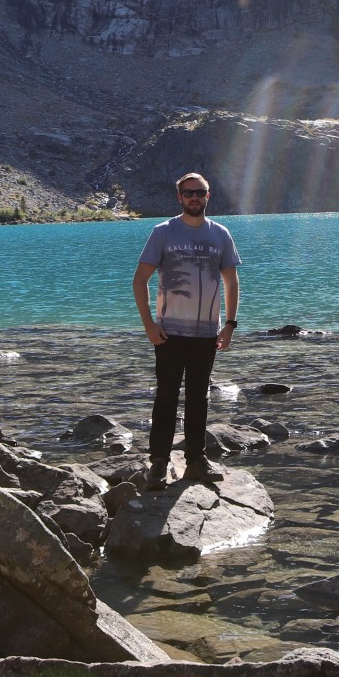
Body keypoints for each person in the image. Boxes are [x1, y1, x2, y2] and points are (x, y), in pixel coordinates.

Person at [133, 171, 240, 489]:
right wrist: (149, 324)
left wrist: (230, 326)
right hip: (168, 333)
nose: (195, 197)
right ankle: (159, 463)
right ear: (179, 197)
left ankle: (196, 460)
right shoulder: (163, 232)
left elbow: (231, 282)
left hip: (207, 333)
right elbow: (140, 280)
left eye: (200, 192)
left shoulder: (220, 234)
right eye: (188, 192)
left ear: (209, 196)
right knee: (165, 396)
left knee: (199, 397)